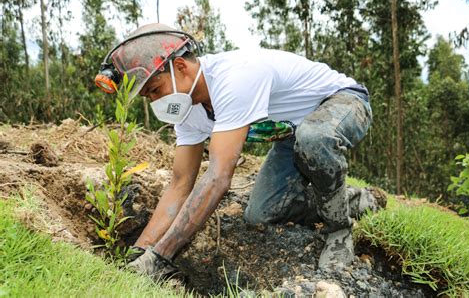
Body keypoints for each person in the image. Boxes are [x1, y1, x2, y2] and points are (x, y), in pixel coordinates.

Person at [95, 23, 383, 279]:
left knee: (314, 137)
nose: (155, 101)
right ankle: (355, 200)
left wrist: (161, 257)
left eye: (155, 90)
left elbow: (218, 177)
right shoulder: (187, 110)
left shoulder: (235, 78)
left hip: (343, 103)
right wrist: (138, 253)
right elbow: (180, 184)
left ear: (180, 67)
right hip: (292, 135)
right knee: (260, 213)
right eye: (148, 97)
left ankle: (339, 231)